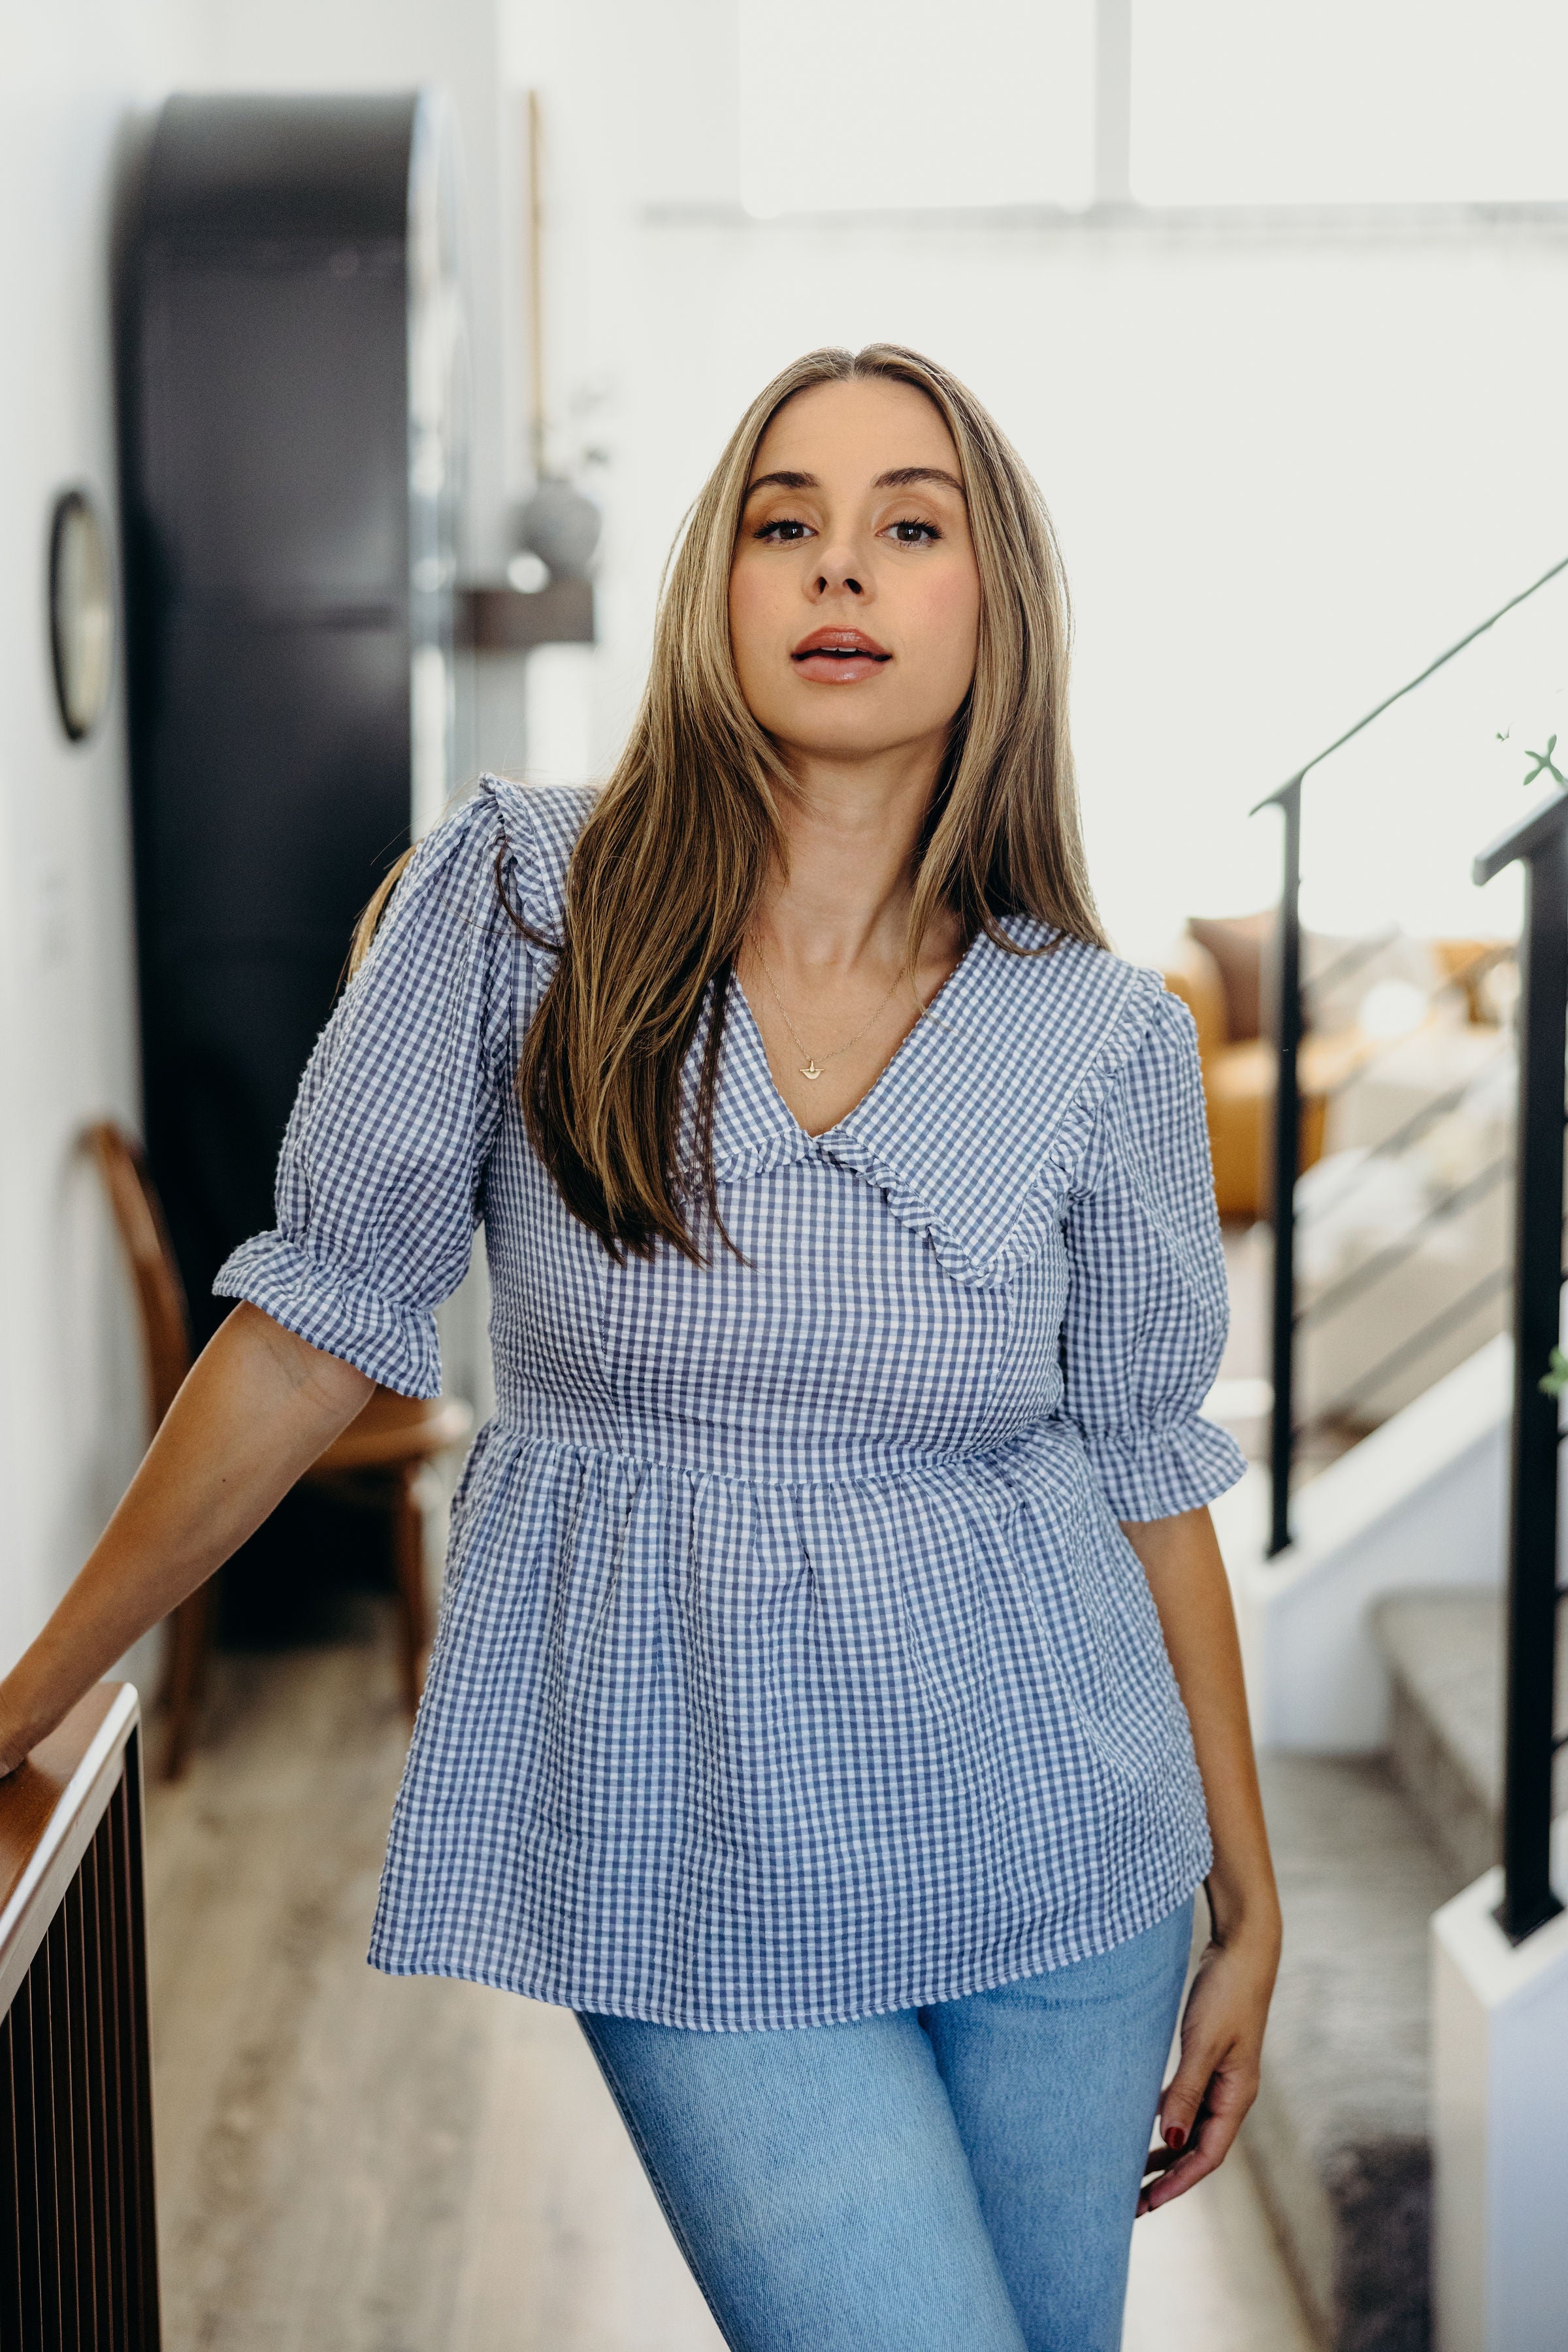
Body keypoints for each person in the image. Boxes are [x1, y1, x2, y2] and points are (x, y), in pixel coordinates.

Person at [0, 344, 1281, 2352]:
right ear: (721, 584)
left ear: (993, 602)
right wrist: (29, 1696)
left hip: (1067, 1842)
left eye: (908, 525)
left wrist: (1251, 1901)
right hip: (687, 1829)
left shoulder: (1103, 1035)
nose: (838, 568)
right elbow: (311, 1331)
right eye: (788, 523)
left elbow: (1148, 1471)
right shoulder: (522, 902)